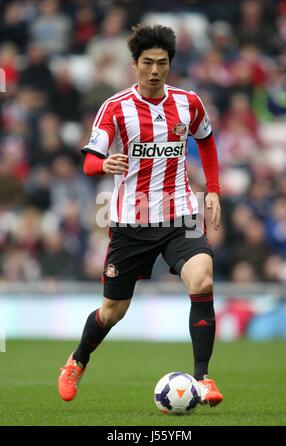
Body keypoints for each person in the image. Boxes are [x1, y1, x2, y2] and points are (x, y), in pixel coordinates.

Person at [58, 24, 223, 407]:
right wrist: (104, 165)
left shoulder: (189, 103)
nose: (154, 70)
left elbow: (207, 140)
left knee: (202, 278)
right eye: (147, 63)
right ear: (134, 64)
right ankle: (77, 360)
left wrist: (212, 189)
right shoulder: (115, 107)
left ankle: (203, 379)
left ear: (170, 65)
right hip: (130, 224)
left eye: (161, 63)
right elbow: (89, 163)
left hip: (179, 215)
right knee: (113, 311)